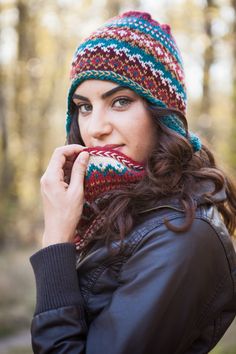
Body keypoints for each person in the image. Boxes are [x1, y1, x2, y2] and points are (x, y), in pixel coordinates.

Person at [30, 11, 236, 354]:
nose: (95, 127)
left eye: (120, 101)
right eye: (83, 106)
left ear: (162, 113)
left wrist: (55, 243)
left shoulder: (184, 234)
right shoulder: (117, 207)